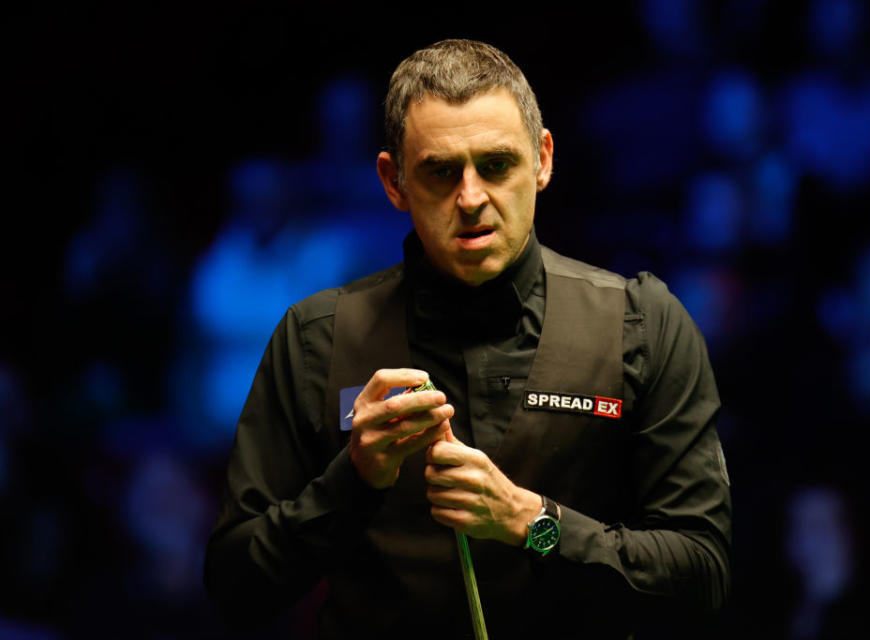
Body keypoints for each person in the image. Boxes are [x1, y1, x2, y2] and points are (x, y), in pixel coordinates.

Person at [204, 39, 731, 638]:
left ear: (543, 160)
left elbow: (703, 576)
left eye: (498, 164)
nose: (472, 198)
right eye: (440, 171)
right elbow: (233, 585)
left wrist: (531, 520)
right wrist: (352, 481)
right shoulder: (316, 339)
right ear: (393, 181)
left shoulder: (642, 322)